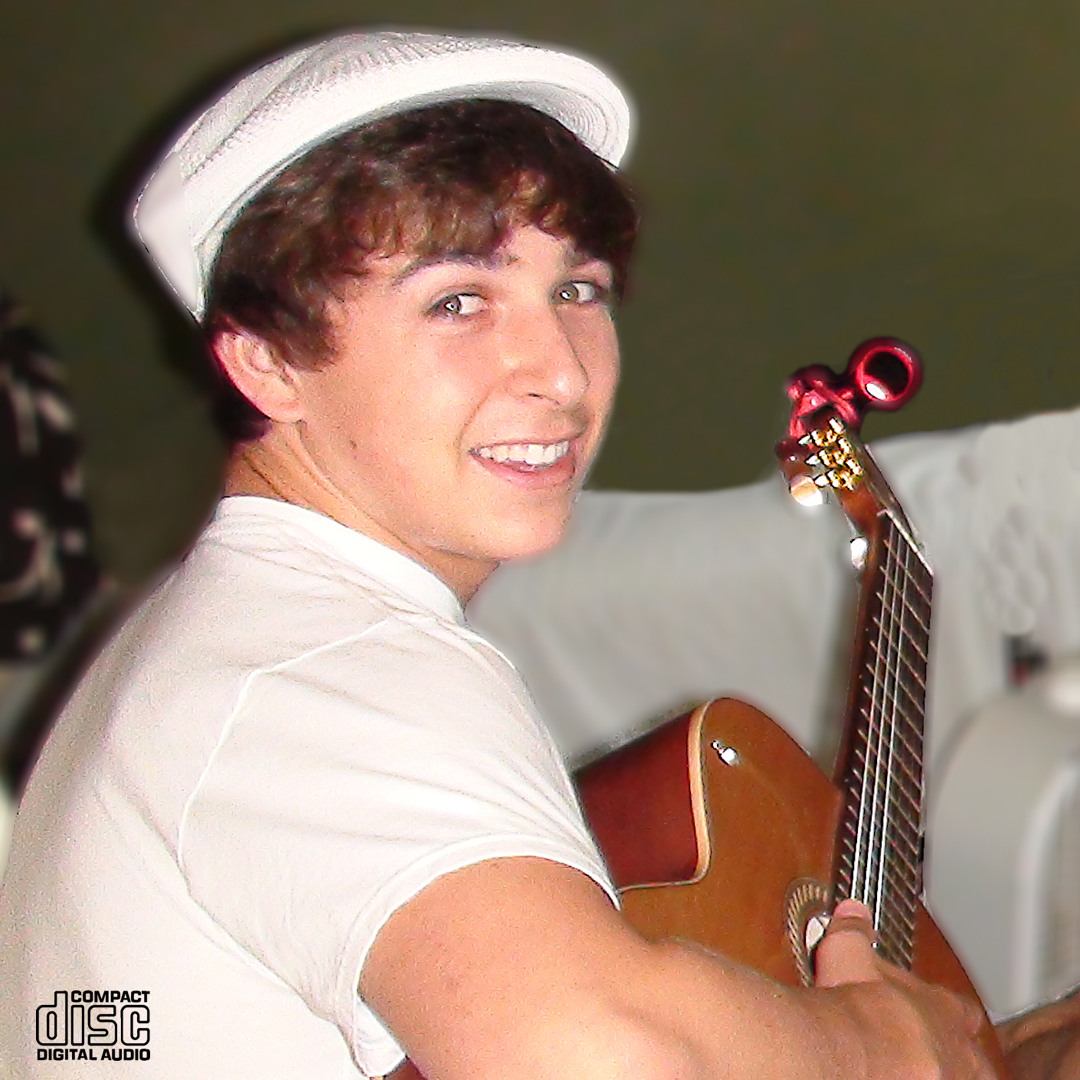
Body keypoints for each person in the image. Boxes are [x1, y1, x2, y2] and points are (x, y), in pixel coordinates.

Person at [0, 26, 1051, 1079]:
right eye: (457, 301)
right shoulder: (321, 664)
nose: (561, 370)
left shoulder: (232, 639)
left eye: (576, 289)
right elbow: (593, 1055)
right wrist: (870, 1042)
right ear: (267, 362)